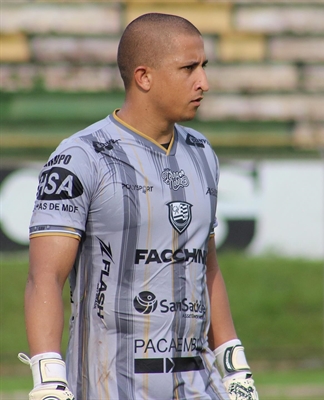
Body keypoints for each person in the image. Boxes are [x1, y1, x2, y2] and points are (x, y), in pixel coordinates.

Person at [19, 13, 259, 400]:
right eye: (188, 68)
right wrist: (48, 380)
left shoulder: (201, 153)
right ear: (144, 77)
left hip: (198, 384)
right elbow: (43, 278)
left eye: (204, 67)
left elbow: (207, 266)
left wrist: (235, 368)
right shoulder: (81, 157)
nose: (204, 82)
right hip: (110, 386)